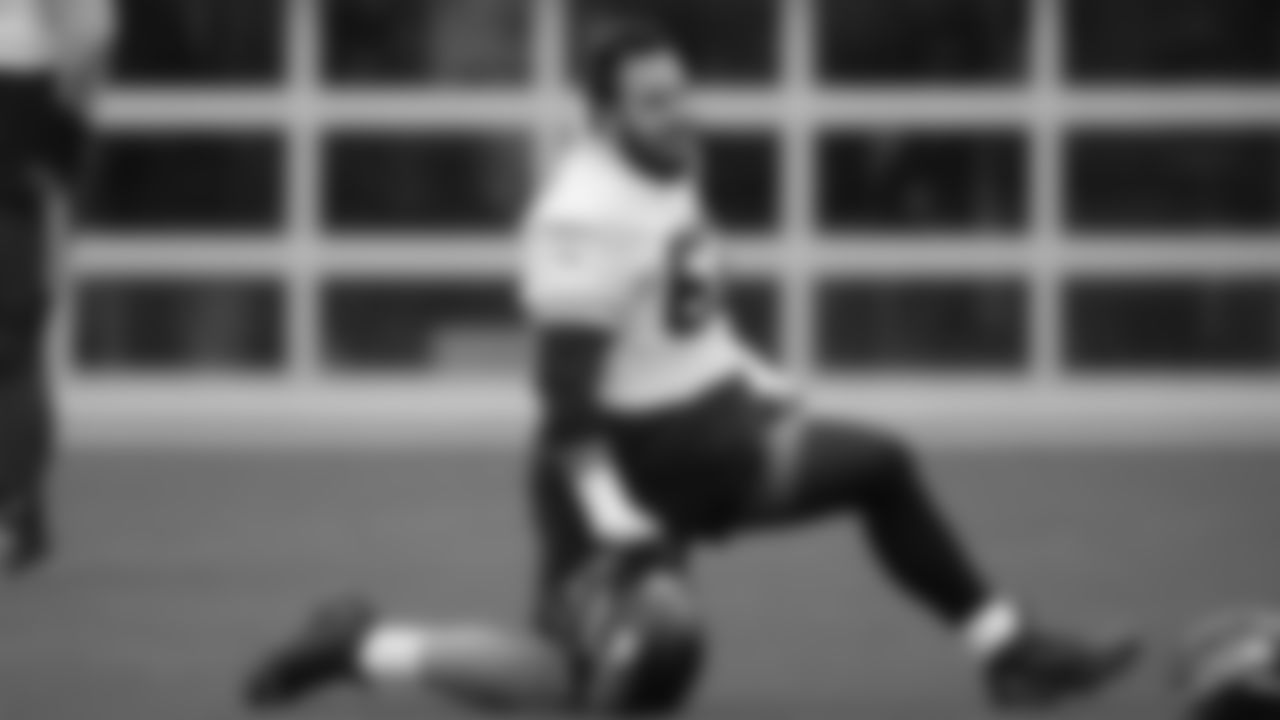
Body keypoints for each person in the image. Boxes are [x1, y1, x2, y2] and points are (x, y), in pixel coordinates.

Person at [245, 20, 1140, 715]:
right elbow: (564, 395)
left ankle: (1010, 652)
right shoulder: (582, 214)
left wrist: (751, 372)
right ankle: (360, 649)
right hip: (627, 464)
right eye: (654, 102)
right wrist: (611, 510)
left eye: (681, 92)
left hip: (711, 440)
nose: (680, 113)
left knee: (879, 467)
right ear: (605, 117)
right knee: (576, 678)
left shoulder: (667, 159)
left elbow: (681, 304)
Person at [0, 0, 115, 574]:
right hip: (22, 202)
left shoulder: (31, 49)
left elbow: (89, 38)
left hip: (15, 210)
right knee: (14, 362)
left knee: (11, 358)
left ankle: (16, 509)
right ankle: (23, 513)